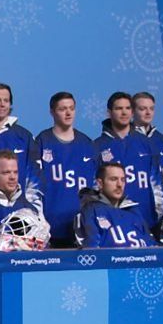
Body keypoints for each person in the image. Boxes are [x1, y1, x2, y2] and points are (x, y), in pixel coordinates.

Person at [32, 91, 99, 248]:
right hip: (49, 226)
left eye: (71, 108)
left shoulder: (87, 144)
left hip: (82, 226)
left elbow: (96, 186)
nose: (68, 113)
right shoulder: (42, 141)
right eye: (62, 109)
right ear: (52, 112)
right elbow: (34, 186)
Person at [94, 91, 163, 229]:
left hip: (146, 219)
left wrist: (157, 215)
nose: (124, 112)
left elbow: (156, 185)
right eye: (119, 108)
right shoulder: (97, 146)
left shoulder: (147, 143)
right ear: (109, 112)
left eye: (127, 108)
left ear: (132, 112)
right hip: (114, 221)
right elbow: (96, 187)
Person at [74, 162, 156, 248]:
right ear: (100, 183)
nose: (119, 185)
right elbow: (91, 251)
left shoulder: (134, 210)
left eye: (123, 180)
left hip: (141, 256)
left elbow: (153, 246)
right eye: (113, 179)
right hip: (110, 257)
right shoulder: (89, 211)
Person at [132, 91, 163, 211]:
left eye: (151, 108)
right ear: (132, 111)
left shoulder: (162, 139)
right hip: (138, 208)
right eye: (142, 109)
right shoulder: (126, 138)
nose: (148, 112)